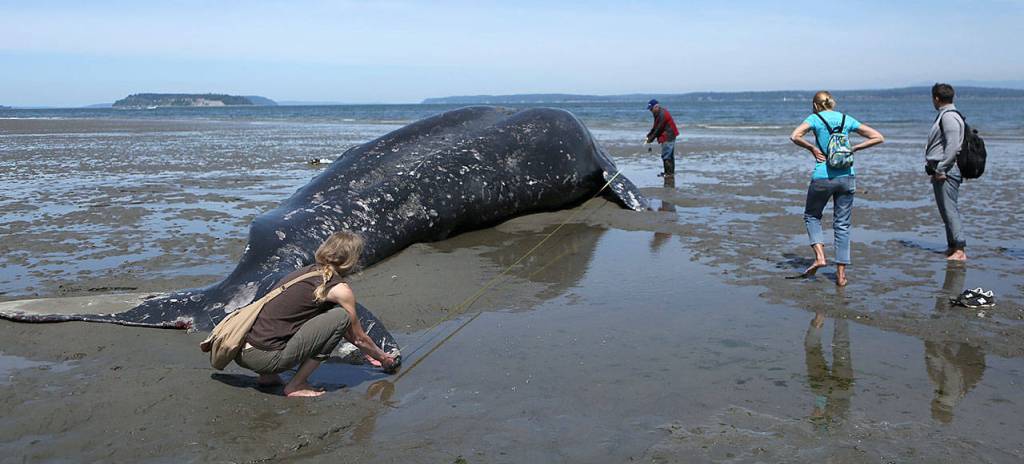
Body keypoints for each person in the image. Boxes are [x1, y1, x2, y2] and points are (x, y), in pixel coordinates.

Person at [236, 231, 398, 397]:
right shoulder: (340, 290)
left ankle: (268, 377)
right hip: (264, 359)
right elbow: (357, 337)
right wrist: (383, 358)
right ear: (352, 260)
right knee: (341, 316)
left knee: (305, 318)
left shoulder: (306, 272)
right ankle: (296, 385)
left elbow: (336, 330)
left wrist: (366, 351)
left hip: (243, 352)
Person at [789, 91, 884, 286]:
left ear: (815, 105)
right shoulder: (845, 119)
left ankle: (820, 257)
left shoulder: (814, 118)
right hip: (847, 177)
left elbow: (795, 135)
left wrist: (812, 148)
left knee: (812, 216)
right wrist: (855, 148)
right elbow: (878, 137)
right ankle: (841, 276)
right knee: (842, 224)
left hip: (822, 177)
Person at [926, 83, 967, 261]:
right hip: (942, 168)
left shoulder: (949, 117)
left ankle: (959, 249)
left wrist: (941, 168)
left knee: (950, 209)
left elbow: (953, 147)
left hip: (947, 170)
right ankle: (952, 246)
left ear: (936, 98)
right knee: (945, 210)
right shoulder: (946, 115)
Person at [644, 99, 680, 177]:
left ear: (656, 107)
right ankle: (670, 173)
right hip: (668, 135)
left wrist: (651, 139)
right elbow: (655, 127)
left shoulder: (662, 114)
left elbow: (658, 129)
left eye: (651, 109)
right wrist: (649, 135)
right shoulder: (657, 113)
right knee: (669, 155)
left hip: (668, 136)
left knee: (666, 155)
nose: (650, 110)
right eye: (650, 109)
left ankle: (668, 174)